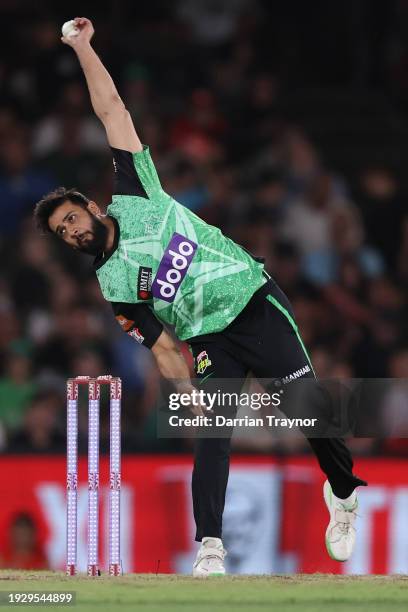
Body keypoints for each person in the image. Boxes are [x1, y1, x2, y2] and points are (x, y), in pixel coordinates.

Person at [34, 18, 366, 576]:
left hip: (253, 299)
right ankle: (210, 548)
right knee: (212, 433)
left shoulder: (135, 191)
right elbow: (162, 346)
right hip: (207, 338)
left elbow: (112, 108)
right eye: (62, 234)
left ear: (91, 206)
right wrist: (186, 393)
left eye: (71, 219)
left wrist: (83, 47)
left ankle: (343, 494)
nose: (71, 233)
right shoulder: (112, 287)